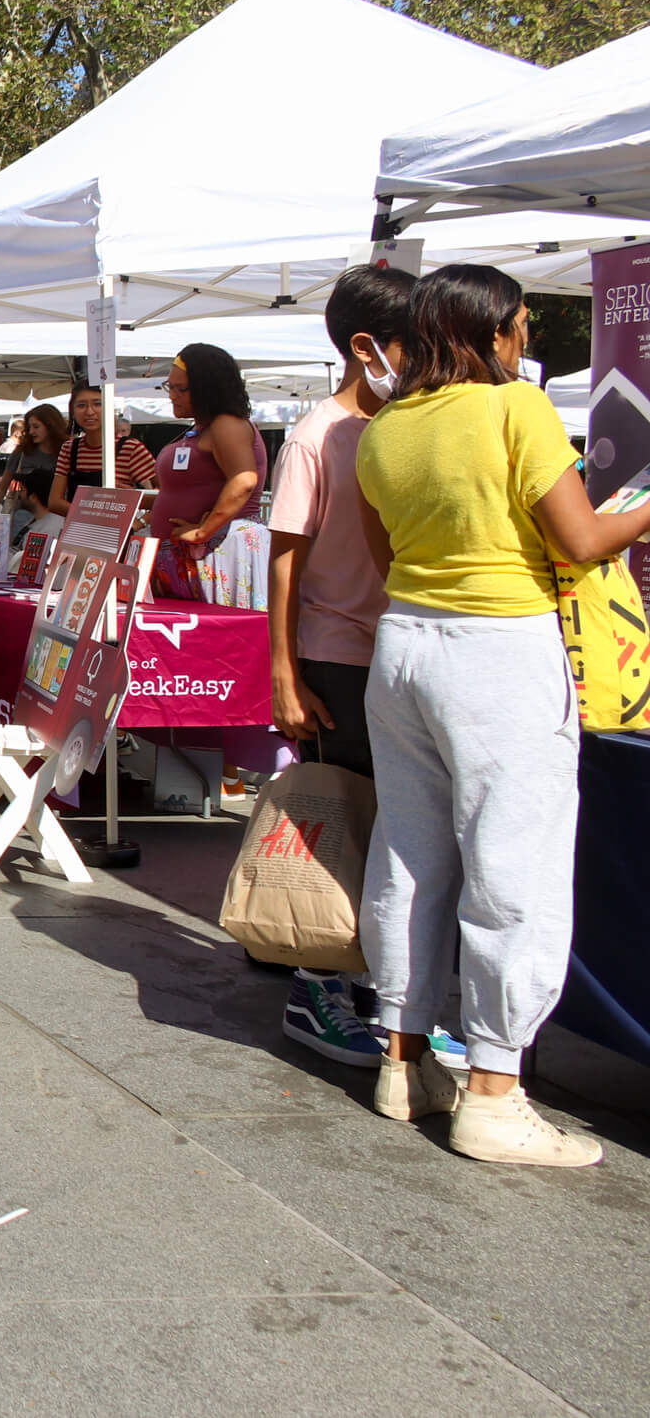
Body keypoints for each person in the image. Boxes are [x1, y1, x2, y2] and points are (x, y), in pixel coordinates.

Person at [357, 263, 650, 1168]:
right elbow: (581, 539)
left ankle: (403, 1063)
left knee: (408, 856)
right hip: (499, 650)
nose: (527, 340)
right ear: (493, 333)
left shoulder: (384, 429)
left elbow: (385, 555)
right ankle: (494, 1088)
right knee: (511, 863)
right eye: (522, 325)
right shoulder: (515, 410)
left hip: (404, 646)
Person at [264, 265, 467, 1070]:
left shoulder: (417, 422)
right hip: (336, 657)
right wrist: (283, 671)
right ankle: (317, 986)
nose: (424, 358)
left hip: (407, 649)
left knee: (404, 832)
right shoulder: (318, 435)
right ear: (365, 347)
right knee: (346, 824)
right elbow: (285, 560)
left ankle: (394, 999)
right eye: (414, 342)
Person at [150, 344, 270, 607]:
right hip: (196, 560)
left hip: (219, 557)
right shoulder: (202, 427)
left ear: (208, 389)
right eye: (169, 387)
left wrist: (204, 531)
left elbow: (243, 480)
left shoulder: (227, 425)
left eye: (181, 389)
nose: (172, 396)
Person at [45, 384, 157, 515]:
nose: (89, 411)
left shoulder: (131, 448)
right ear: (73, 412)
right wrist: (92, 515)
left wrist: (137, 512)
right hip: (78, 531)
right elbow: (54, 502)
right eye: (81, 405)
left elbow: (167, 494)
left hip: (116, 531)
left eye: (97, 404)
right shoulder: (69, 448)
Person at [0, 402, 67, 546]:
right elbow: (2, 486)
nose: (31, 432)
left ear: (50, 426)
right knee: (17, 551)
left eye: (36, 427)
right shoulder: (22, 451)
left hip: (56, 515)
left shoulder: (66, 450)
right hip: (24, 512)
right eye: (29, 427)